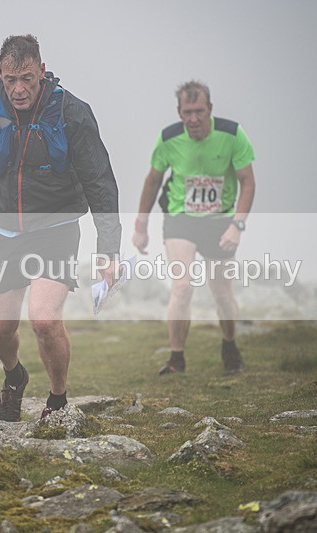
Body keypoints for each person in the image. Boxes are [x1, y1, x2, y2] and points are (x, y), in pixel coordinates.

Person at [0, 34, 121, 421]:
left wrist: (109, 251)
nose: (19, 89)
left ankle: (58, 401)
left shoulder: (72, 112)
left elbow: (100, 181)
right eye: (11, 80)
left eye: (27, 78)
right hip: (3, 232)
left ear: (41, 72)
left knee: (44, 320)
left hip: (55, 229)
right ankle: (15, 377)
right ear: (0, 74)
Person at [132, 80, 256, 375]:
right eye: (187, 112)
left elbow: (247, 182)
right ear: (179, 112)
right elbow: (153, 181)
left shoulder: (232, 134)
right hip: (181, 219)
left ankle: (229, 344)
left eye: (199, 111)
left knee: (222, 293)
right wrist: (141, 224)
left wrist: (237, 225)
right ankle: (176, 358)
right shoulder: (168, 139)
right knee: (183, 287)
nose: (193, 119)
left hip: (220, 222)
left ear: (210, 109)